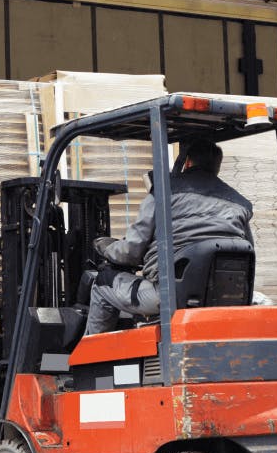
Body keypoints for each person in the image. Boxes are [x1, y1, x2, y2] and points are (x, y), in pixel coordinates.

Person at [84, 140, 254, 335]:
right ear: (217, 167)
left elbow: (131, 251)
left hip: (169, 295)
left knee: (102, 282)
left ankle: (89, 363)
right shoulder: (240, 204)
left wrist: (107, 248)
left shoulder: (163, 192)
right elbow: (246, 249)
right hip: (224, 296)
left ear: (187, 162)